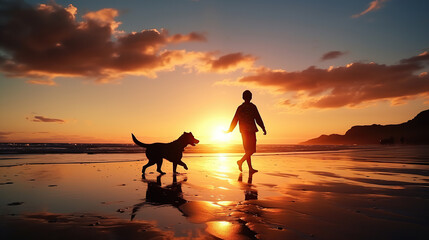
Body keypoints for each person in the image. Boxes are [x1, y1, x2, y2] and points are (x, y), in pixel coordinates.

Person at [226, 90, 266, 173]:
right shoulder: (252, 107)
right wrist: (263, 128)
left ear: (243, 97)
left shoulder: (240, 108)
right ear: (251, 97)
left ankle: (250, 168)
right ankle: (240, 161)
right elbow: (258, 118)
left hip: (243, 131)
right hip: (251, 131)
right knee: (251, 150)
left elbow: (235, 119)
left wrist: (230, 130)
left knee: (247, 150)